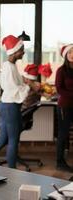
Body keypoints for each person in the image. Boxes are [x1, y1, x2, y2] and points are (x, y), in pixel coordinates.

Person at [0, 35, 40, 168]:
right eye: (22, 50)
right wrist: (30, 85)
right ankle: (12, 171)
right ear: (14, 52)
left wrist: (26, 81)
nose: (23, 52)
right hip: (10, 107)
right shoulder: (9, 67)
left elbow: (15, 83)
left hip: (7, 106)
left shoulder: (11, 66)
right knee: (13, 140)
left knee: (3, 139)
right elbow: (13, 88)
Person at [0, 64, 41, 161]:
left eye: (24, 77)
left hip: (11, 119)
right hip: (13, 118)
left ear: (27, 79)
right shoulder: (34, 89)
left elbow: (14, 104)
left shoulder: (26, 91)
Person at [55, 44, 73, 172]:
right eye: (70, 52)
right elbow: (59, 89)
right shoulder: (61, 70)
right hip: (65, 106)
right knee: (63, 134)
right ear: (66, 55)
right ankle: (60, 162)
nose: (72, 54)